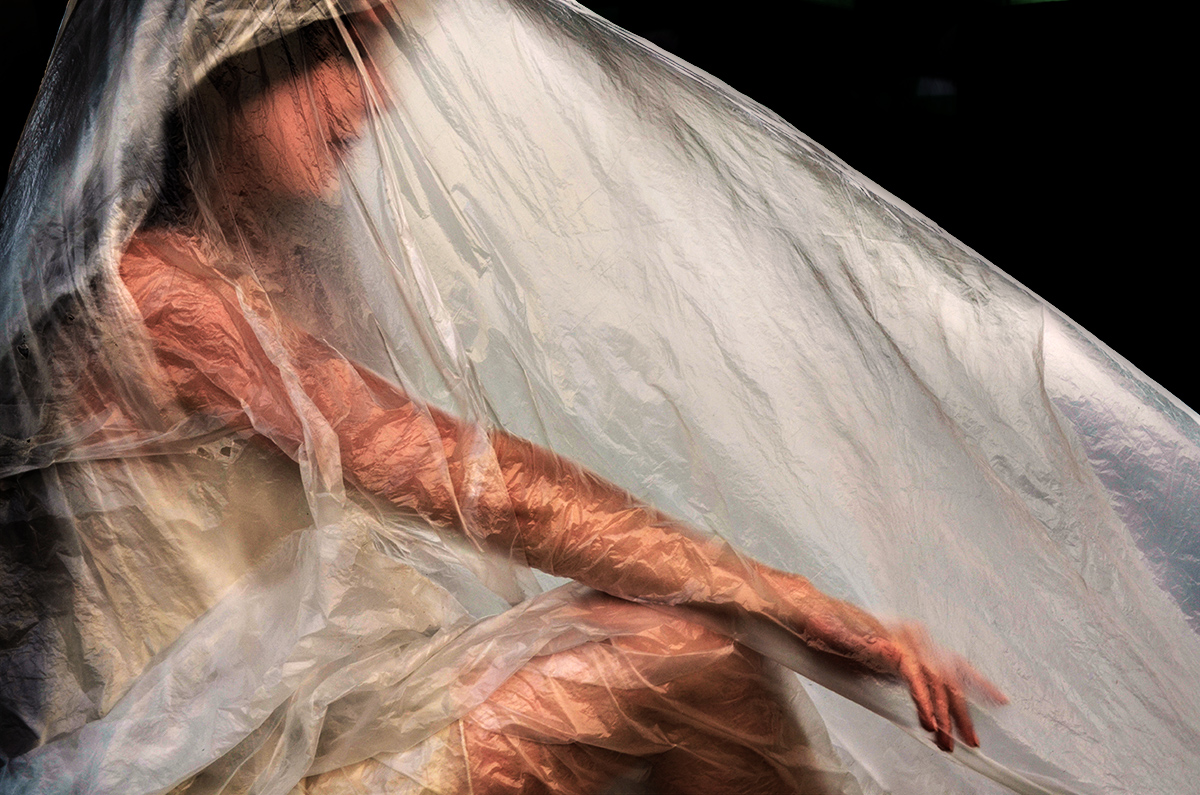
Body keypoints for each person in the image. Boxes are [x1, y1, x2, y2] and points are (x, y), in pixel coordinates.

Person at [93, 10, 1006, 794]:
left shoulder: (301, 255)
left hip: (329, 707)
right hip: (215, 769)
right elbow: (477, 483)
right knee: (692, 658)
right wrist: (795, 600)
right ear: (221, 65)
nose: (382, 94)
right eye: (340, 50)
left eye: (383, 51)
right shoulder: (154, 296)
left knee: (690, 642)